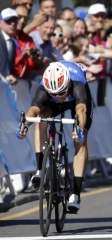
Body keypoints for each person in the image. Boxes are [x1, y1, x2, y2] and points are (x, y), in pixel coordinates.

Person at [15, 60, 93, 213]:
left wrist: (79, 128)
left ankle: (76, 194)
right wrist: (24, 124)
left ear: (68, 85)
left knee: (81, 142)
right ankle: (40, 169)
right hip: (52, 96)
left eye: (61, 93)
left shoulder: (77, 84)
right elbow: (33, 110)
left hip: (76, 103)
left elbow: (81, 109)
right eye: (54, 94)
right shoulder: (44, 87)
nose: (58, 97)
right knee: (42, 118)